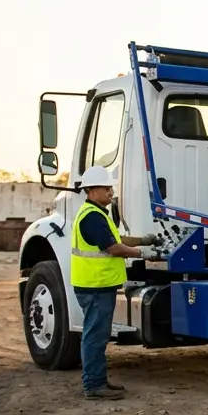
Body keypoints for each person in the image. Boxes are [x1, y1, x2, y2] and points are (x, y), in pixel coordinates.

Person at [71, 165, 162, 399]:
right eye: (106, 188)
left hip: (98, 285)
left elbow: (116, 238)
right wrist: (143, 254)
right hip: (95, 286)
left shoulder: (97, 214)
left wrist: (143, 240)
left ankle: (97, 381)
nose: (111, 192)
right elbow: (113, 247)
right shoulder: (91, 217)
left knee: (98, 335)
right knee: (95, 336)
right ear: (92, 191)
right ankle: (93, 385)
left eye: (110, 188)